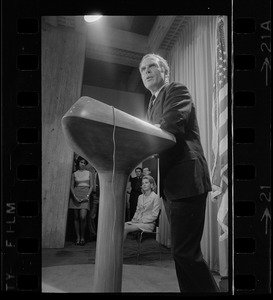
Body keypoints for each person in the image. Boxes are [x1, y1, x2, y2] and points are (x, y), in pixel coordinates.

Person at [139, 53, 219, 293]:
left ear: (165, 71)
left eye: (152, 66)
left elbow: (171, 125)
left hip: (187, 180)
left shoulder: (176, 90)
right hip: (171, 185)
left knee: (186, 252)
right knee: (180, 253)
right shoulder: (152, 103)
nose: (146, 71)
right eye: (142, 69)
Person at [124, 175, 160, 241]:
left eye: (146, 183)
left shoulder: (155, 197)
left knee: (125, 228)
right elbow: (137, 211)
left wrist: (142, 220)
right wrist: (134, 219)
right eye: (143, 183)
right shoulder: (140, 197)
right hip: (138, 221)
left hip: (148, 223)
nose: (144, 185)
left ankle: (117, 249)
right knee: (122, 226)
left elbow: (155, 215)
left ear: (151, 185)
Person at [69, 156, 93, 246]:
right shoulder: (74, 174)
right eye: (81, 162)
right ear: (78, 163)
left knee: (83, 217)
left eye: (84, 163)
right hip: (76, 194)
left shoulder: (89, 173)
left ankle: (83, 237)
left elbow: (91, 186)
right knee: (76, 217)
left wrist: (87, 196)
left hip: (86, 194)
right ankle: (78, 238)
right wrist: (74, 196)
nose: (83, 164)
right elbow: (71, 186)